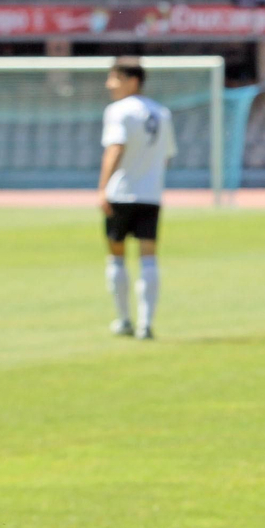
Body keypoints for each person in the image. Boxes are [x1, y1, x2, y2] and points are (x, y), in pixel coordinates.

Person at [99, 61, 176, 341]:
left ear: (132, 81)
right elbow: (167, 155)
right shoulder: (162, 112)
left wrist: (102, 188)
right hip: (151, 195)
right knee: (149, 257)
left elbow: (115, 149)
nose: (109, 84)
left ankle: (124, 320)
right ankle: (146, 324)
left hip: (121, 193)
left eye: (115, 78)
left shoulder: (118, 111)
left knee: (117, 256)